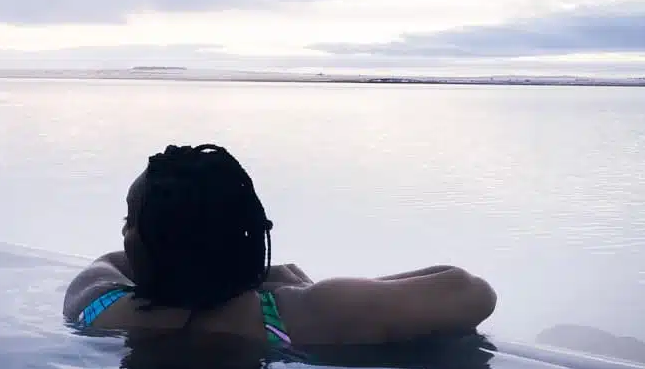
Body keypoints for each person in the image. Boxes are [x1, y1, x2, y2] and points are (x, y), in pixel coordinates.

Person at [63, 143, 496, 349]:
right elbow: (470, 291)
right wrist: (288, 286)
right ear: (248, 235)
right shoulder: (301, 315)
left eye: (128, 222)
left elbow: (109, 264)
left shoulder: (97, 305)